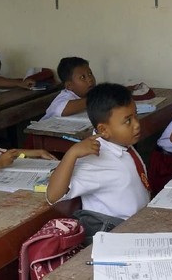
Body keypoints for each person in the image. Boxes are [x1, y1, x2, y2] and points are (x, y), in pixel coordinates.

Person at [46, 83, 151, 241]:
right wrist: (72, 153)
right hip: (115, 234)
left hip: (138, 226)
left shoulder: (122, 143)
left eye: (135, 115)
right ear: (103, 130)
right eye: (128, 121)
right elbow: (53, 195)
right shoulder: (94, 158)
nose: (137, 125)